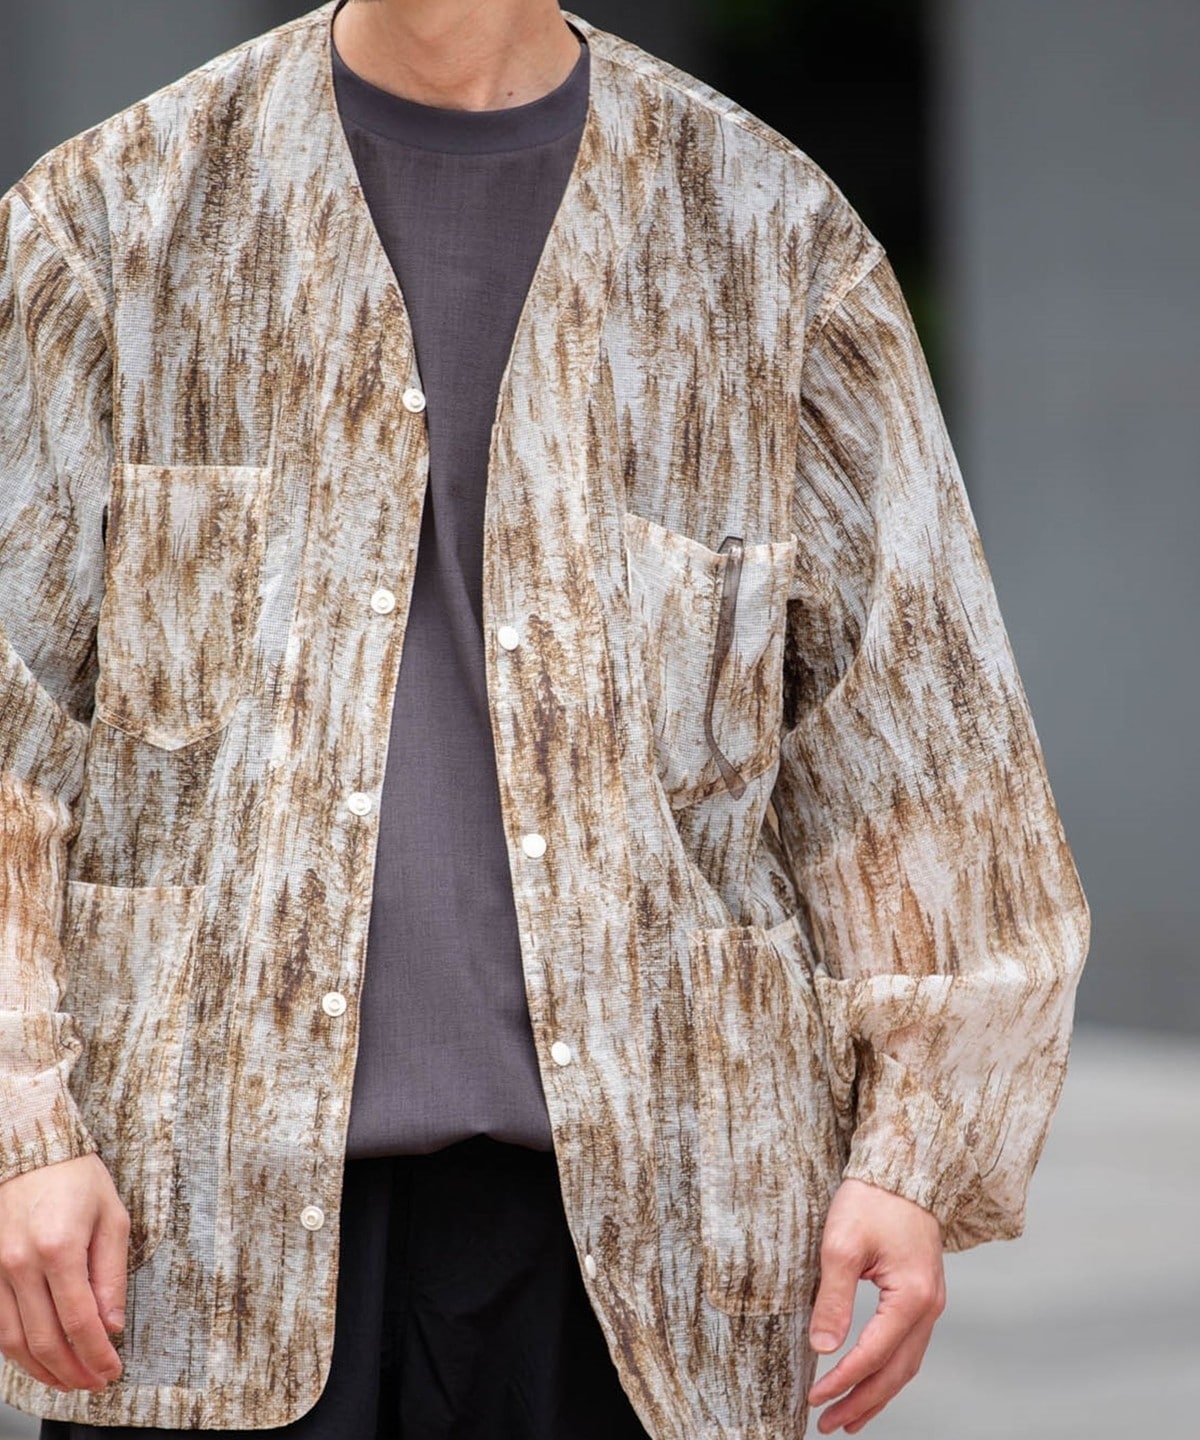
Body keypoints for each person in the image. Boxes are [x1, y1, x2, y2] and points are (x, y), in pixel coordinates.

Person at [0, 0, 1091, 1436]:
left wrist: (914, 1152)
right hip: (193, 1225)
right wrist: (22, 1124)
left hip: (666, 1241)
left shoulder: (770, 236)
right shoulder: (109, 221)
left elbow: (917, 740)